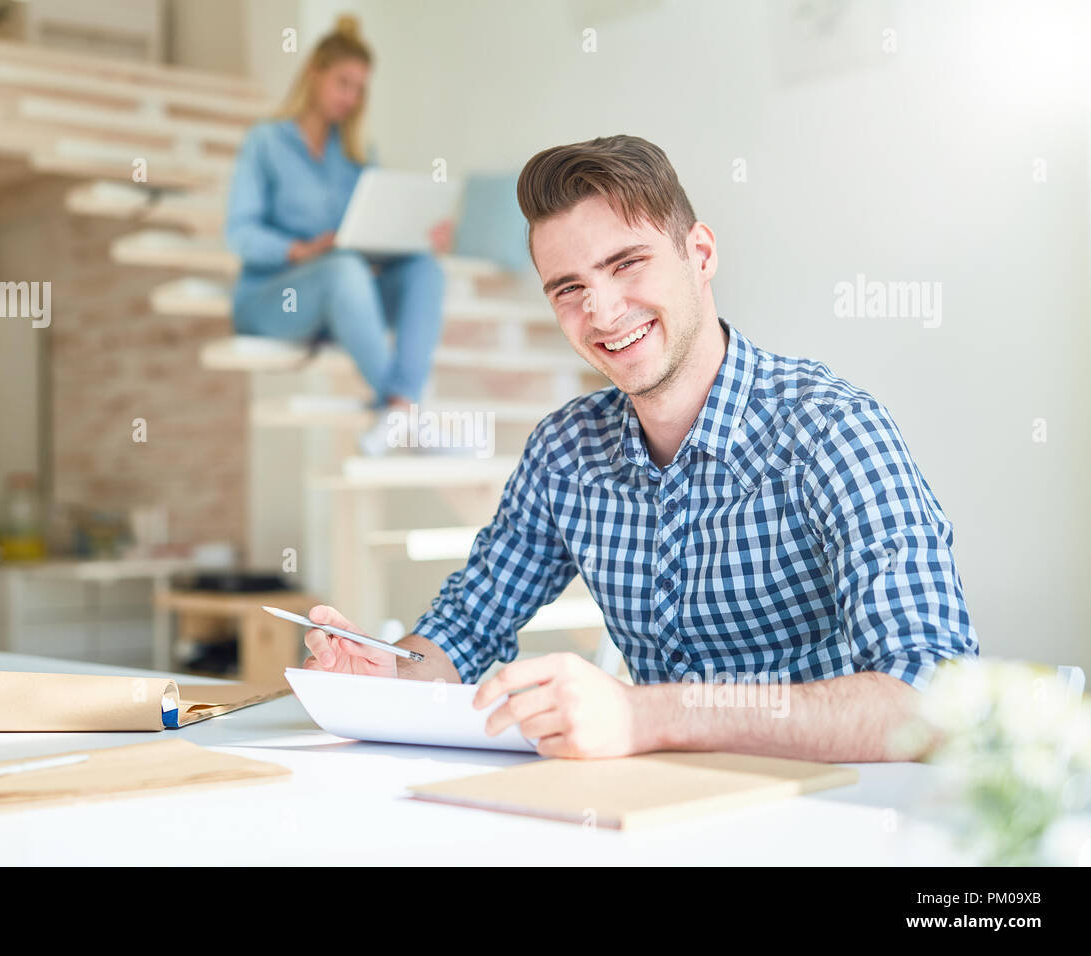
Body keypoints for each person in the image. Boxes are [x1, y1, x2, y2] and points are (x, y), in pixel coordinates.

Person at [300, 134, 979, 763]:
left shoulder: (833, 432)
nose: (601, 310)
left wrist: (647, 716)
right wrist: (391, 673)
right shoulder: (565, 451)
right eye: (569, 289)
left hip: (833, 814)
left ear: (702, 255)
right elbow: (465, 630)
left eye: (626, 263)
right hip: (653, 811)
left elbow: (932, 700)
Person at [225, 16, 450, 456]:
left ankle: (400, 407)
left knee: (424, 269)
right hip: (272, 298)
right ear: (314, 73)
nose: (351, 97)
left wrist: (416, 237)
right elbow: (239, 233)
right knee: (343, 269)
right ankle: (404, 408)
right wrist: (301, 249)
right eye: (343, 83)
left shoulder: (359, 156)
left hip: (346, 298)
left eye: (360, 89)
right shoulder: (265, 143)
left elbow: (376, 231)